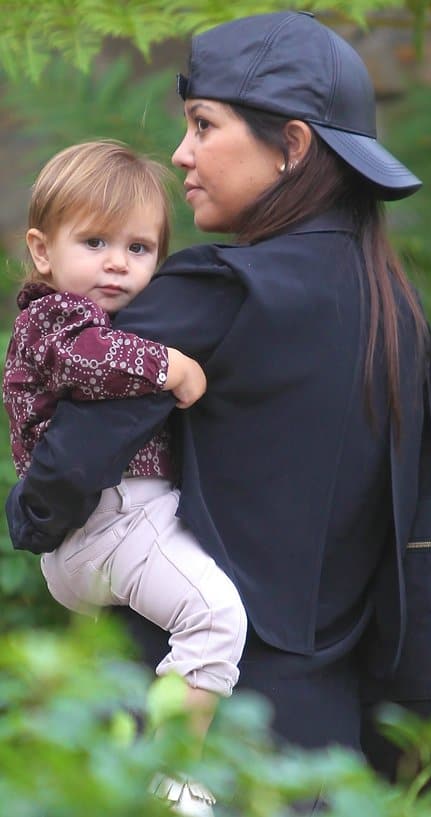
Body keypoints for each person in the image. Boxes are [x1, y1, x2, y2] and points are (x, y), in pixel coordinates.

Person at [6, 11, 429, 811]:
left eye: (204, 125)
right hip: (335, 748)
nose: (181, 154)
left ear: (293, 147)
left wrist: (28, 520)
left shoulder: (219, 289)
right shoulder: (399, 311)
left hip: (194, 740)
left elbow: (68, 463)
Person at [3, 140, 247, 816]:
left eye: (139, 248)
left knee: (143, 661)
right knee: (216, 617)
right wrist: (172, 365)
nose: (116, 261)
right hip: (112, 524)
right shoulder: (52, 318)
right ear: (43, 251)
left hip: (101, 538)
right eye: (95, 240)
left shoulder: (103, 314)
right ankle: (175, 776)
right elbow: (88, 359)